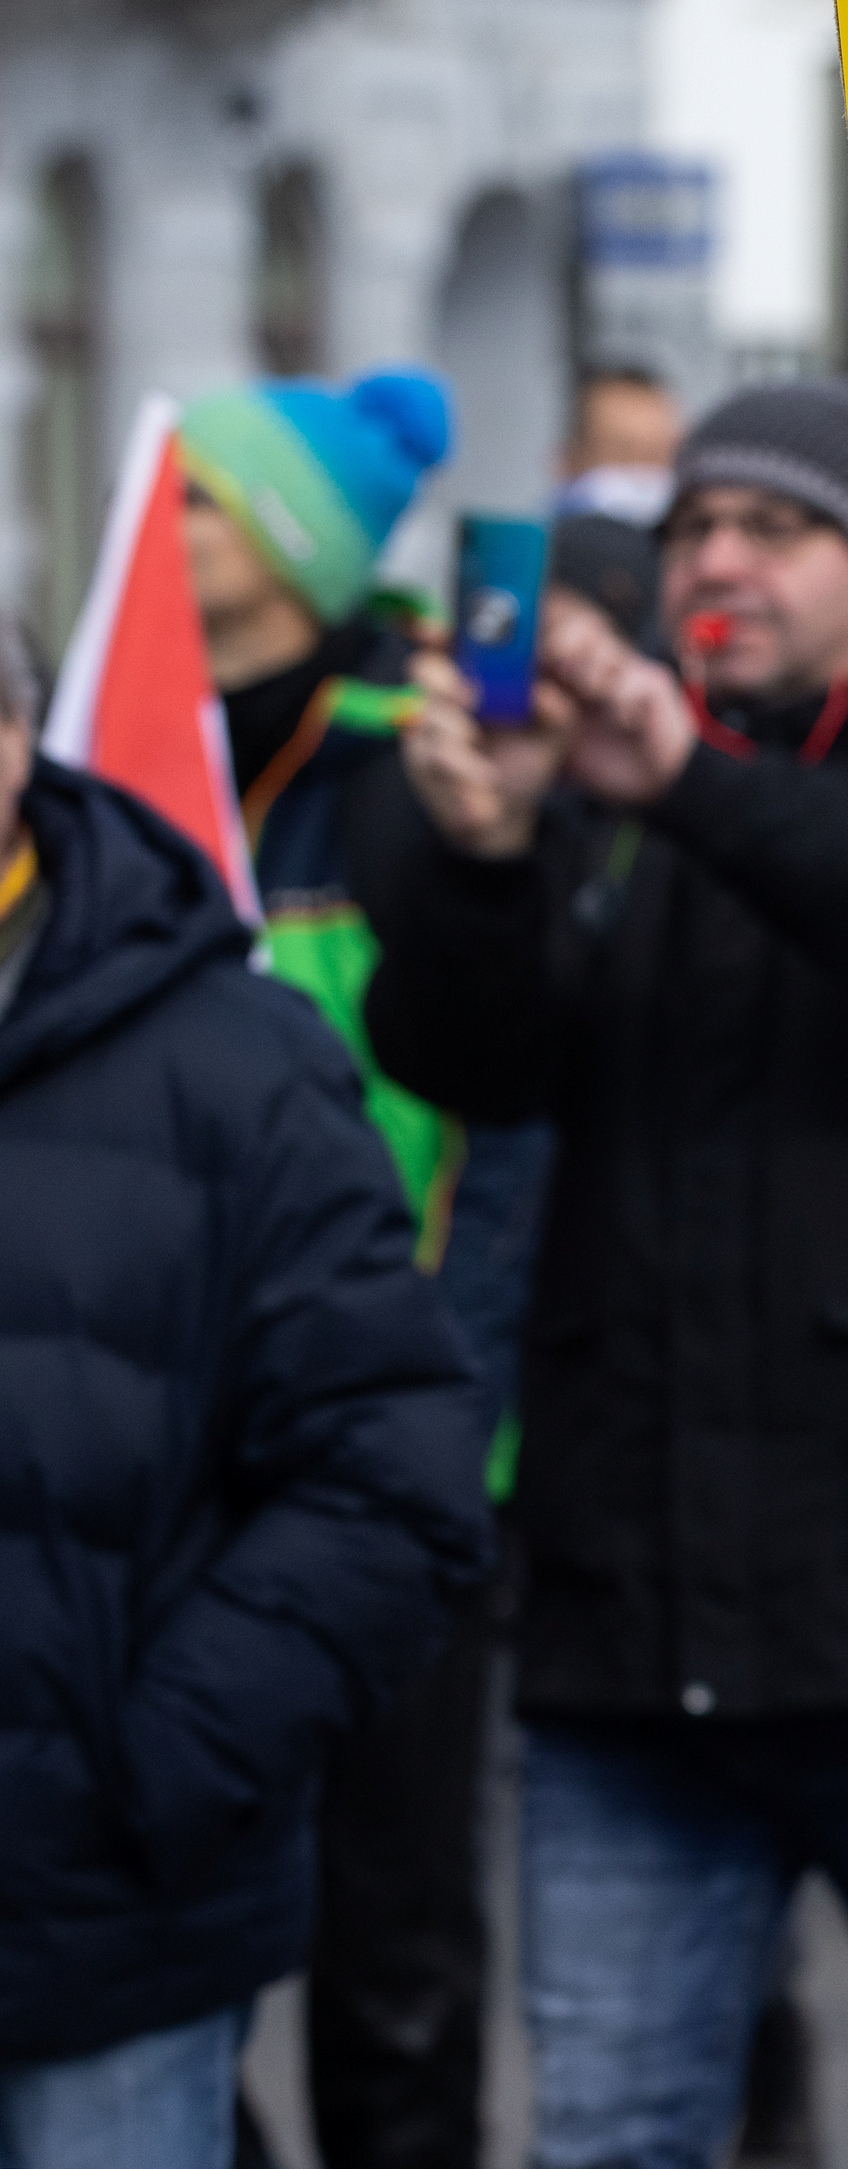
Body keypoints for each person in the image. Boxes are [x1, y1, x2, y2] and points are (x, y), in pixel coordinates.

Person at [353, 379, 848, 2169]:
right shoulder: (614, 791)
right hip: (635, 1651)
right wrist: (487, 855)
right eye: (698, 525)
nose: (717, 559)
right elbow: (469, 1053)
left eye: (775, 528)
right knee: (610, 2136)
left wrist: (694, 783)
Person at [0, 618, 492, 2167]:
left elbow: (392, 1468)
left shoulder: (229, 1059)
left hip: (99, 1933)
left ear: (12, 740)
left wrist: (155, 1764)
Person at [177, 367, 552, 2169]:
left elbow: (501, 1120)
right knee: (148, 1902)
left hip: (387, 1437)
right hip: (173, 1441)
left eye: (198, 500)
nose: (161, 530)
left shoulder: (417, 767)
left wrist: (446, 1421)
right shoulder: (126, 750)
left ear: (290, 548)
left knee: (392, 1936)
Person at [554, 364, 682, 529]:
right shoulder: (535, 541)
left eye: (657, 456)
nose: (642, 475)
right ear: (568, 463)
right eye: (624, 454)